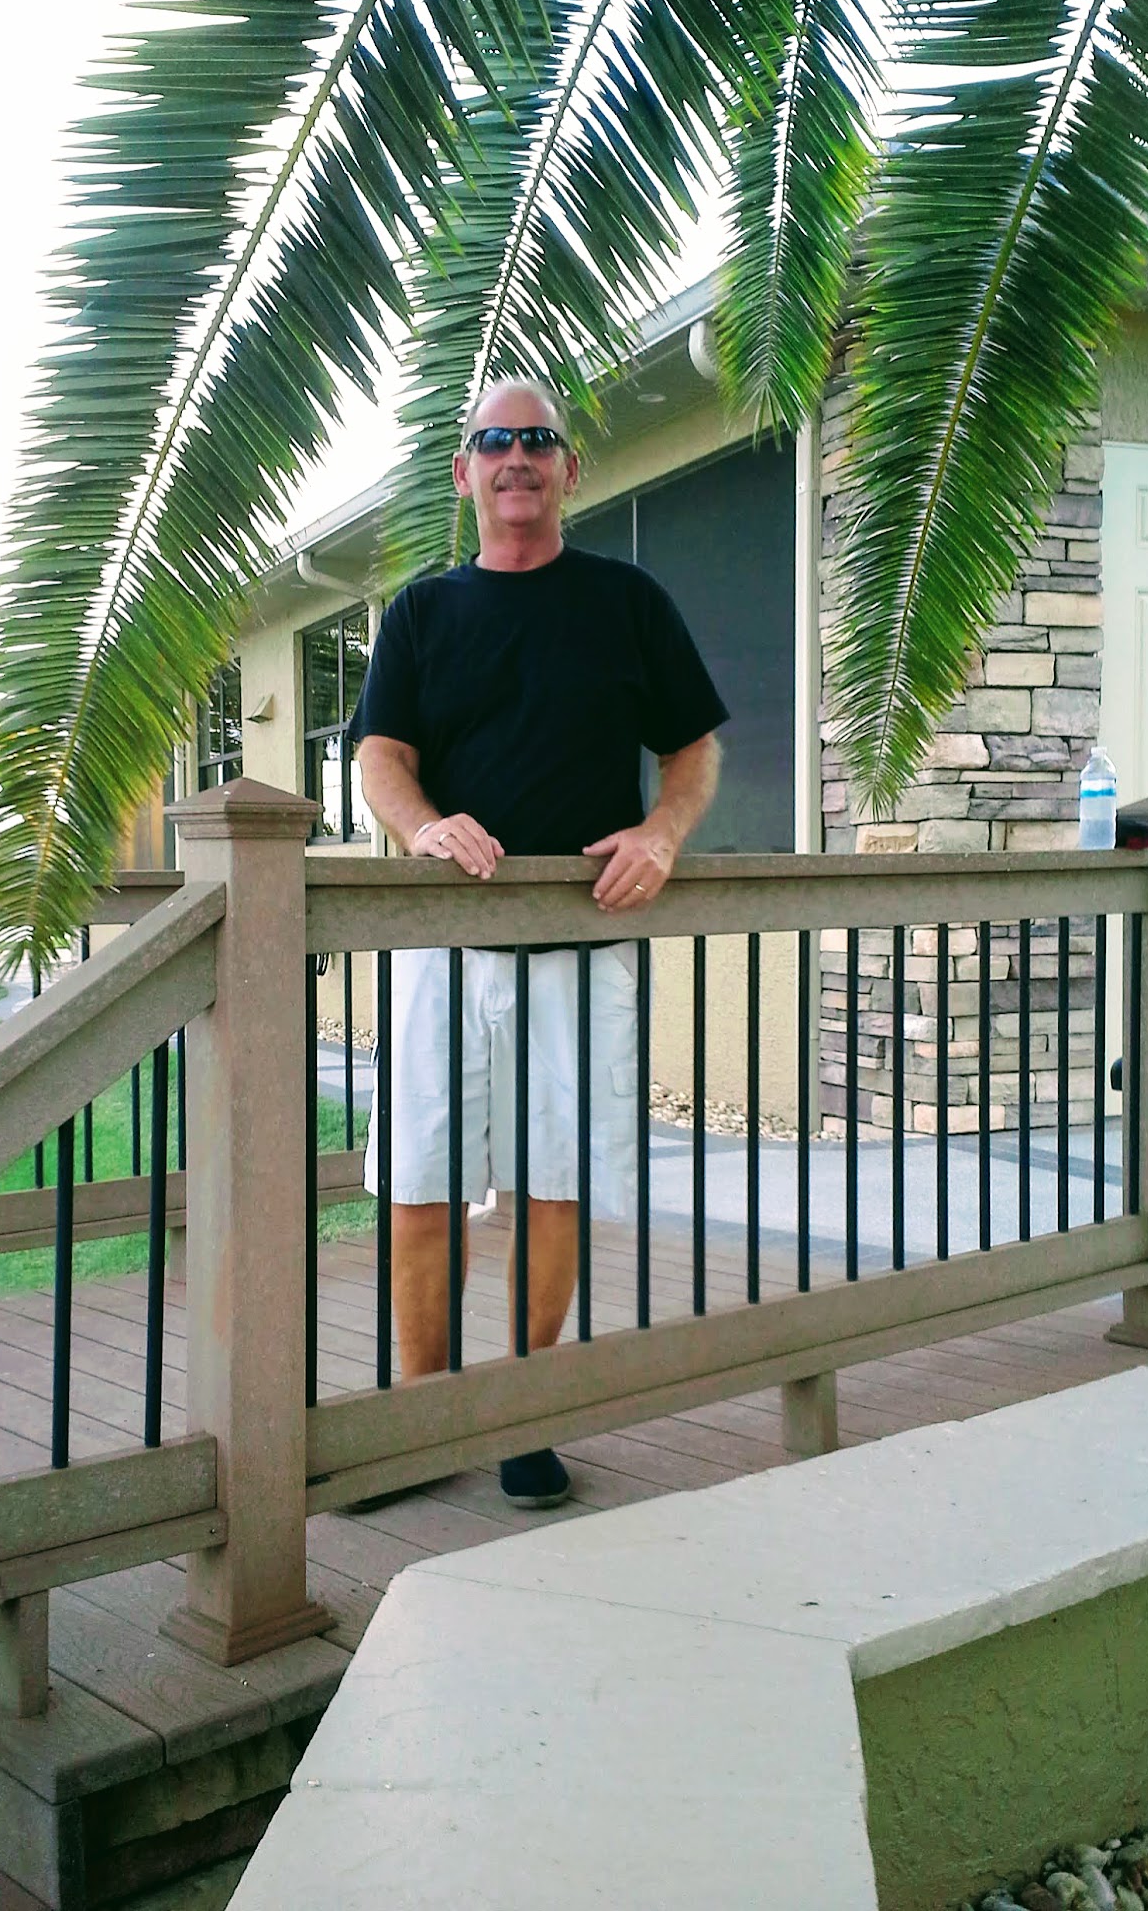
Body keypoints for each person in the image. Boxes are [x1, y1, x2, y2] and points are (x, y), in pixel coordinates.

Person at [349, 378, 728, 1508]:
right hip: (438, 950)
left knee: (552, 1187)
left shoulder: (626, 602)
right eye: (493, 441)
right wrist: (423, 827)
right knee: (419, 1187)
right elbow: (380, 757)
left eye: (536, 439)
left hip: (579, 945)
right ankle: (422, 1422)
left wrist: (662, 832)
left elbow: (692, 747)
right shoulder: (420, 612)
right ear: (463, 470)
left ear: (568, 467)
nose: (515, 456)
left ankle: (522, 1413)